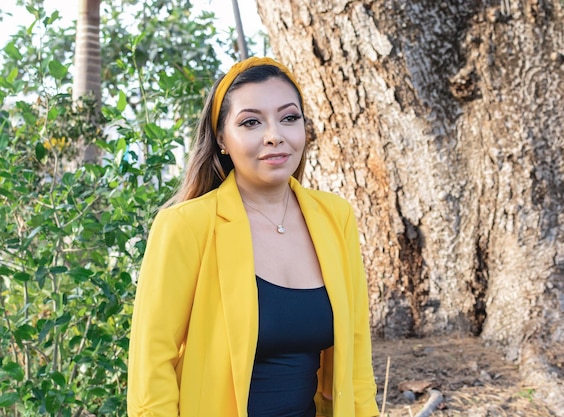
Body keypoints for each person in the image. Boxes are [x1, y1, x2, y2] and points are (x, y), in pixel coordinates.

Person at [127, 56, 380, 417]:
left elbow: (356, 354)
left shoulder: (335, 217)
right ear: (222, 140)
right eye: (251, 122)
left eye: (289, 118)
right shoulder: (186, 226)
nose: (274, 135)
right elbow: (151, 370)